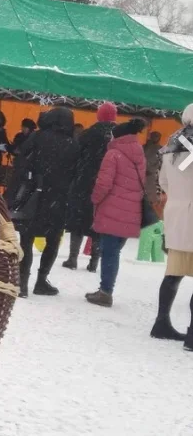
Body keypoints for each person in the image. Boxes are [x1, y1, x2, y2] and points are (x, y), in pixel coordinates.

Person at [5, 108, 79, 298]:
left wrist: (13, 195)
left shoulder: (37, 138)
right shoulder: (73, 144)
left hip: (34, 195)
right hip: (58, 199)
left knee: (27, 239)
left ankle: (22, 282)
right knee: (52, 241)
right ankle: (41, 280)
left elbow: (21, 165)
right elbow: (76, 174)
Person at [86, 118, 148, 308]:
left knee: (109, 252)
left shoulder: (113, 154)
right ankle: (106, 289)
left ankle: (105, 292)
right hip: (131, 210)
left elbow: (104, 184)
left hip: (112, 208)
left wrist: (94, 199)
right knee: (114, 252)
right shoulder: (139, 153)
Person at [150, 104, 193, 350]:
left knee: (173, 273)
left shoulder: (172, 146)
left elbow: (163, 182)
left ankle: (161, 322)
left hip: (176, 214)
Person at [63, 102, 117, 271]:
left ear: (99, 116)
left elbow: (73, 156)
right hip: (108, 185)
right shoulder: (119, 137)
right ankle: (94, 262)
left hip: (84, 183)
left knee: (78, 220)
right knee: (99, 223)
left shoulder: (88, 134)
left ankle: (72, 259)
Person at [144, 131, 163, 206]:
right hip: (153, 174)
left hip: (144, 174)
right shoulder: (161, 149)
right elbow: (162, 163)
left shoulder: (143, 147)